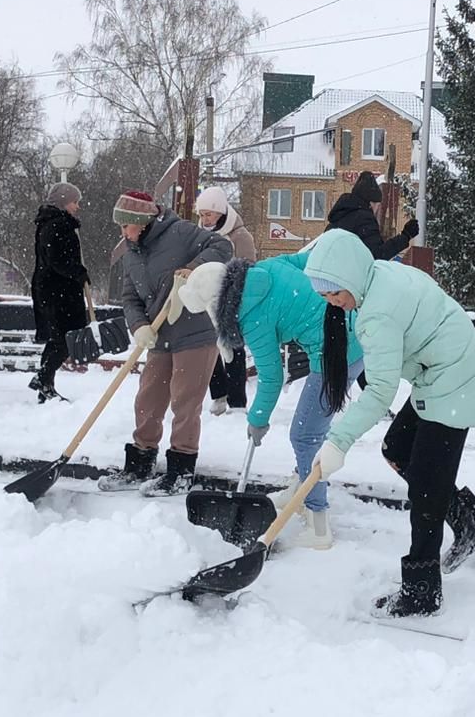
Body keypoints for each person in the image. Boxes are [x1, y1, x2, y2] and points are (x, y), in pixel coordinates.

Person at [304, 228, 475, 617]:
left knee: (427, 491)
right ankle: (471, 522)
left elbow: (379, 392)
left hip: (454, 380)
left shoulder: (376, 313)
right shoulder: (379, 274)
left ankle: (422, 592)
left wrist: (337, 441)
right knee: (397, 449)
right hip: (441, 370)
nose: (336, 304)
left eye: (335, 293)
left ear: (350, 279)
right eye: (326, 297)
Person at [180, 251, 366, 549]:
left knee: (305, 435)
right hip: (352, 326)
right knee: (310, 428)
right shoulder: (268, 266)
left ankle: (318, 523)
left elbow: (271, 377)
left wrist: (257, 419)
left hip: (337, 352)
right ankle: (299, 489)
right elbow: (311, 260)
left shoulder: (251, 317)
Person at [98, 190, 232, 496]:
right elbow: (130, 297)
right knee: (148, 400)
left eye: (126, 226)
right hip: (159, 336)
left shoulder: (180, 232)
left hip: (195, 333)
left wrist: (195, 267)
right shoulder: (131, 253)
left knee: (185, 402)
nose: (123, 233)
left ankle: (181, 471)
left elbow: (222, 246)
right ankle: (140, 464)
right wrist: (139, 326)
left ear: (143, 222)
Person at [196, 185, 257, 416]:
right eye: (201, 215)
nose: (205, 219)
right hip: (207, 300)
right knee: (210, 348)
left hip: (232, 300)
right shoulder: (200, 234)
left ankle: (237, 400)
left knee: (232, 348)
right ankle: (218, 394)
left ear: (221, 212)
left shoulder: (240, 236)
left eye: (208, 214)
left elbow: (249, 267)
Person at [29, 182, 88, 403]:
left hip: (55, 290)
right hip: (58, 292)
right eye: (75, 202)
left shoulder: (53, 223)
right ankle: (44, 379)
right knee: (64, 339)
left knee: (58, 339)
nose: (77, 206)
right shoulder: (57, 225)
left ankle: (45, 382)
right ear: (64, 202)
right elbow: (56, 259)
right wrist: (77, 272)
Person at [327, 170, 418, 261]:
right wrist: (405, 236)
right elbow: (377, 255)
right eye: (377, 205)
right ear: (370, 203)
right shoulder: (364, 219)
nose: (376, 210)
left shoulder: (337, 217)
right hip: (348, 274)